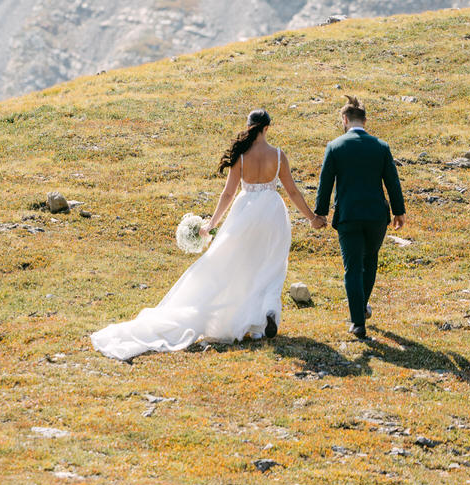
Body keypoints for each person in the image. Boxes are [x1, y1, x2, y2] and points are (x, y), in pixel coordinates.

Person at [90, 109, 325, 360]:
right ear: (267, 128)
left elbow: (227, 194)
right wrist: (312, 218)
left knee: (241, 266)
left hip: (245, 213)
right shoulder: (279, 156)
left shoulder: (241, 157)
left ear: (249, 127)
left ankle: (249, 320)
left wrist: (211, 224)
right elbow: (292, 192)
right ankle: (265, 315)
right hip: (272, 214)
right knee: (270, 265)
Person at [313, 95, 406, 340]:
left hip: (349, 216)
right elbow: (392, 182)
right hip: (376, 215)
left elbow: (325, 183)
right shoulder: (381, 147)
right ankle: (361, 307)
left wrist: (320, 213)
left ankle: (357, 322)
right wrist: (399, 211)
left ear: (345, 119)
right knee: (370, 259)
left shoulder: (335, 146)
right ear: (365, 120)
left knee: (352, 267)